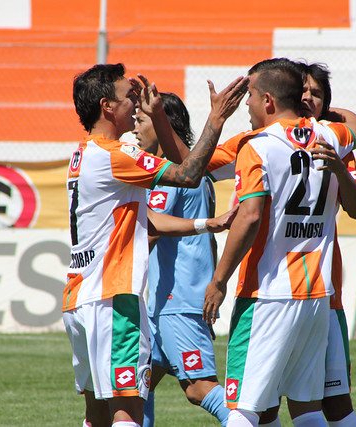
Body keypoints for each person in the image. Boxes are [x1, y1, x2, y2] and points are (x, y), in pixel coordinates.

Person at [63, 63, 247, 427]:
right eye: (128, 98)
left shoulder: (81, 155)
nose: (137, 106)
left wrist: (205, 224)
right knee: (129, 413)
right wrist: (217, 117)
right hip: (115, 298)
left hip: (79, 296)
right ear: (107, 107)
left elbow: (146, 217)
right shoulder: (118, 157)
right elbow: (189, 173)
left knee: (98, 414)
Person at [201, 58, 356, 427]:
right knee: (306, 410)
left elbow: (250, 215)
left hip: (267, 294)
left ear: (268, 100)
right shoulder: (330, 136)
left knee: (242, 409)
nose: (247, 104)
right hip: (316, 296)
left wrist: (219, 280)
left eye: (251, 96)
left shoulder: (257, 146)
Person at [257, 62, 356, 427]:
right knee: (268, 406)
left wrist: (331, 124)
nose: (306, 98)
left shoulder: (333, 143)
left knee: (332, 404)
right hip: (274, 289)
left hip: (322, 294)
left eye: (315, 94)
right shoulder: (263, 141)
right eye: (301, 91)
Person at [133, 92, 230, 426]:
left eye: (141, 120)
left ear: (163, 127)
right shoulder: (199, 175)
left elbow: (153, 229)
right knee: (136, 388)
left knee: (199, 389)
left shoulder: (171, 174)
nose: (134, 128)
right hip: (171, 302)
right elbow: (209, 242)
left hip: (178, 301)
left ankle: (246, 421)